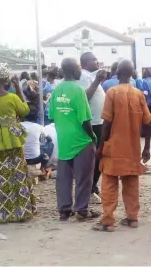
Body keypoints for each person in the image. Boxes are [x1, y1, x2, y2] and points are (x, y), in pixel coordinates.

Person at [92, 59, 151, 232]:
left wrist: (100, 146)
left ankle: (107, 221)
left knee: (109, 184)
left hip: (114, 148)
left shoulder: (112, 92)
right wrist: (147, 147)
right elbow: (147, 123)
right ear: (132, 74)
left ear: (117, 74)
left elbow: (107, 124)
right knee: (131, 183)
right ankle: (132, 218)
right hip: (132, 149)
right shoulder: (139, 94)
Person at [0, 62, 36, 223]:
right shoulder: (11, 97)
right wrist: (18, 87)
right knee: (16, 174)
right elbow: (25, 111)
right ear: (6, 79)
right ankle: (19, 211)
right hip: (13, 140)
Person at [49, 58, 100, 221]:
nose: (80, 71)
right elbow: (85, 119)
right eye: (79, 67)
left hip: (63, 140)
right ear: (72, 70)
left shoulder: (57, 91)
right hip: (80, 140)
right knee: (84, 177)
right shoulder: (78, 91)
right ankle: (81, 210)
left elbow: (52, 116)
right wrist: (92, 136)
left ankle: (64, 210)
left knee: (63, 177)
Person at [77, 52, 108, 200]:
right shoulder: (83, 76)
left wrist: (98, 80)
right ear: (85, 62)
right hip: (94, 122)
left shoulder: (89, 76)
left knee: (99, 156)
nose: (97, 62)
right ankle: (90, 188)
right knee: (95, 156)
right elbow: (85, 97)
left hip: (99, 121)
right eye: (94, 59)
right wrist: (97, 81)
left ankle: (92, 186)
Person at [21, 112, 48, 182]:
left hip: (22, 158)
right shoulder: (38, 126)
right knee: (49, 144)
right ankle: (43, 169)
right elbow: (48, 137)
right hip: (35, 158)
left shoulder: (19, 126)